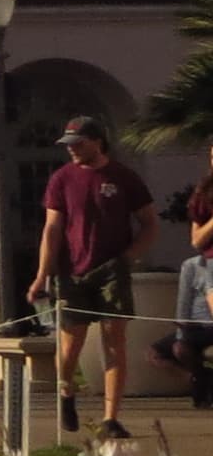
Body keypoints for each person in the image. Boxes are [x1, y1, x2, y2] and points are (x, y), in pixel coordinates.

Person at [28, 119, 161, 438]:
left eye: (78, 142)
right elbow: (53, 229)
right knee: (71, 344)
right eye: (68, 143)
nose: (72, 148)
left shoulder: (124, 177)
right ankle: (66, 392)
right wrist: (41, 275)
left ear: (97, 142)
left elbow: (149, 223)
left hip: (111, 269)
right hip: (72, 270)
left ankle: (111, 417)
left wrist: (129, 257)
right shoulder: (61, 179)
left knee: (114, 341)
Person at [154, 181, 213, 409]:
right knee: (168, 350)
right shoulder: (203, 193)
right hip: (206, 274)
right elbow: (197, 240)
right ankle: (201, 379)